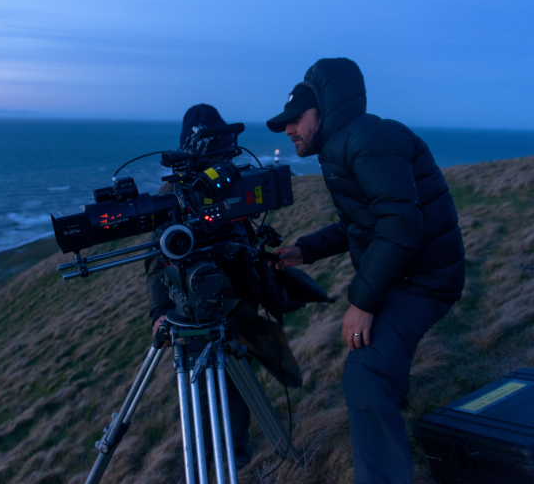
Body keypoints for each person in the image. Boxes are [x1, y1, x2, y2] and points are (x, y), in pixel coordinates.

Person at [266, 58, 465, 484]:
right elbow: (362, 223)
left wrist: (362, 302)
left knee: (364, 376)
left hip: (425, 280)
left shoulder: (367, 140)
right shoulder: (347, 144)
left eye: (294, 120)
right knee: (377, 363)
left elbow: (401, 225)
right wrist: (305, 250)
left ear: (323, 110)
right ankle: (394, 396)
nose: (288, 130)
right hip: (407, 274)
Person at [145, 103, 311, 472]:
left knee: (237, 386)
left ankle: (236, 456)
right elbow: (158, 265)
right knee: (204, 394)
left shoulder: (230, 179)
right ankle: (206, 465)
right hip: (200, 313)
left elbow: (241, 235)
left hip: (240, 309)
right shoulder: (171, 192)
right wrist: (159, 313)